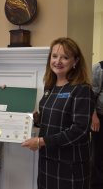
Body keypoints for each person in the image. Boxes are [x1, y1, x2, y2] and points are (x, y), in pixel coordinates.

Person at [21, 37, 94, 189]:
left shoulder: (82, 90)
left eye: (65, 57)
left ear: (75, 61)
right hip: (47, 161)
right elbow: (51, 121)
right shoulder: (49, 88)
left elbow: (79, 130)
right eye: (54, 56)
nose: (58, 61)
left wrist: (42, 141)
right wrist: (35, 118)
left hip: (70, 165)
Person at [90, 60, 103, 189]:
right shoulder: (99, 68)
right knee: (97, 155)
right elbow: (92, 95)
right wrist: (93, 116)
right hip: (100, 118)